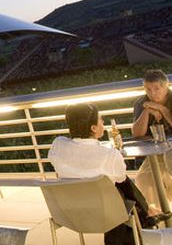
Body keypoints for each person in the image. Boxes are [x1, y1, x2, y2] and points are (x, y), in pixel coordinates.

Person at [48, 103, 168, 245]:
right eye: (101, 120)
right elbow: (123, 181)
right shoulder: (109, 155)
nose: (103, 123)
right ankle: (146, 213)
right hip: (106, 216)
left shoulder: (58, 145)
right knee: (122, 189)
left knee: (117, 189)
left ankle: (146, 213)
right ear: (93, 128)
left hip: (70, 214)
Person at [131, 70, 172, 205]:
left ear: (166, 86)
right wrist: (147, 111)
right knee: (145, 180)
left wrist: (163, 109)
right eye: (148, 90)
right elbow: (137, 134)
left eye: (156, 89)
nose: (152, 94)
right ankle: (162, 221)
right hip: (156, 154)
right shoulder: (142, 103)